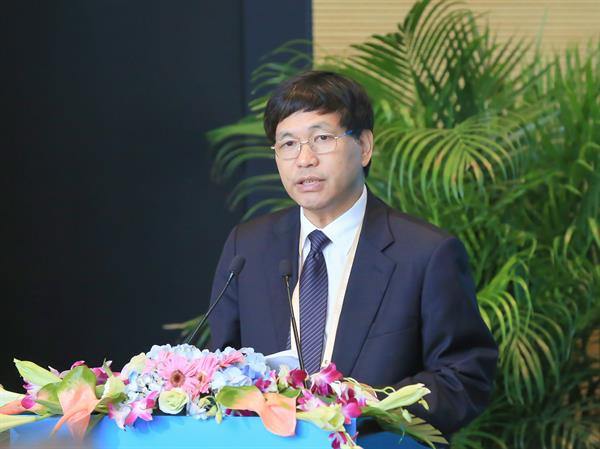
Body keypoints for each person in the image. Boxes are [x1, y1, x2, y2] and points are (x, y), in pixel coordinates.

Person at [208, 70, 498, 437]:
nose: (304, 159)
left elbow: (464, 376)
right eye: (288, 144)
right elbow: (221, 367)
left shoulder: (425, 253)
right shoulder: (248, 246)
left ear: (364, 146)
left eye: (322, 139)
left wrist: (365, 410)